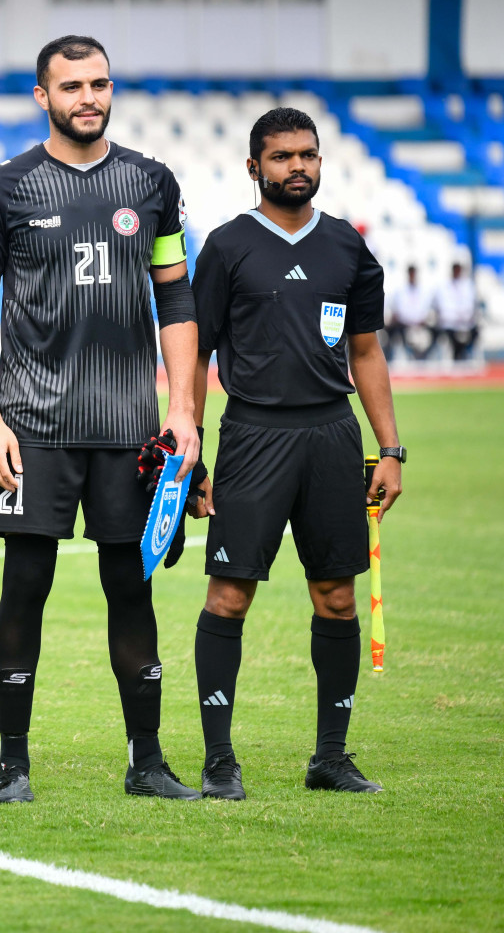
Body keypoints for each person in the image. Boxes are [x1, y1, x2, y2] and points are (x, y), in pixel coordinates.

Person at [0, 35, 202, 804]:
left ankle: (148, 761)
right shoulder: (5, 188)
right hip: (32, 427)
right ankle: (12, 766)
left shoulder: (152, 183)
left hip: (131, 430)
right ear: (43, 95)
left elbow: (177, 298)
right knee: (24, 585)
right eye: (72, 85)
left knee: (133, 590)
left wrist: (185, 410)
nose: (88, 97)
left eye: (99, 83)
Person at [189, 107, 403, 799]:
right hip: (252, 435)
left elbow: (366, 352)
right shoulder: (226, 247)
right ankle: (220, 760)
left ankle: (331, 758)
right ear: (254, 167)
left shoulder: (348, 247)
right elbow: (194, 356)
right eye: (281, 157)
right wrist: (189, 446)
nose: (297, 167)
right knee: (229, 595)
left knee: (337, 598)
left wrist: (390, 448)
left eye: (307, 155)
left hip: (333, 436)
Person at [385, 265, 432, 361]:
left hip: (420, 326)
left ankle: (424, 359)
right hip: (403, 326)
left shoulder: (423, 291)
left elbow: (426, 311)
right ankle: (391, 358)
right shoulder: (400, 291)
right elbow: (398, 311)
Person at [434, 262, 478, 361]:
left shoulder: (468, 286)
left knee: (475, 332)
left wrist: (464, 317)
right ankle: (455, 356)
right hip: (450, 324)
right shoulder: (444, 287)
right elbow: (443, 307)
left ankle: (467, 355)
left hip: (466, 323)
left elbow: (470, 305)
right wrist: (455, 317)